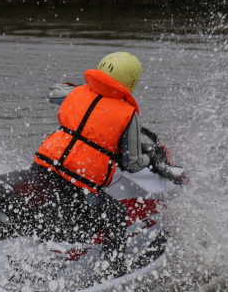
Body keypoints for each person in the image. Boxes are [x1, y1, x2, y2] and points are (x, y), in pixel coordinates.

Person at [31, 52, 152, 280]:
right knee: (117, 214)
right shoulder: (127, 114)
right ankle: (113, 272)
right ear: (132, 81)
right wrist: (151, 158)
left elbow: (53, 93)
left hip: (42, 168)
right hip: (77, 185)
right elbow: (133, 163)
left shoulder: (75, 93)